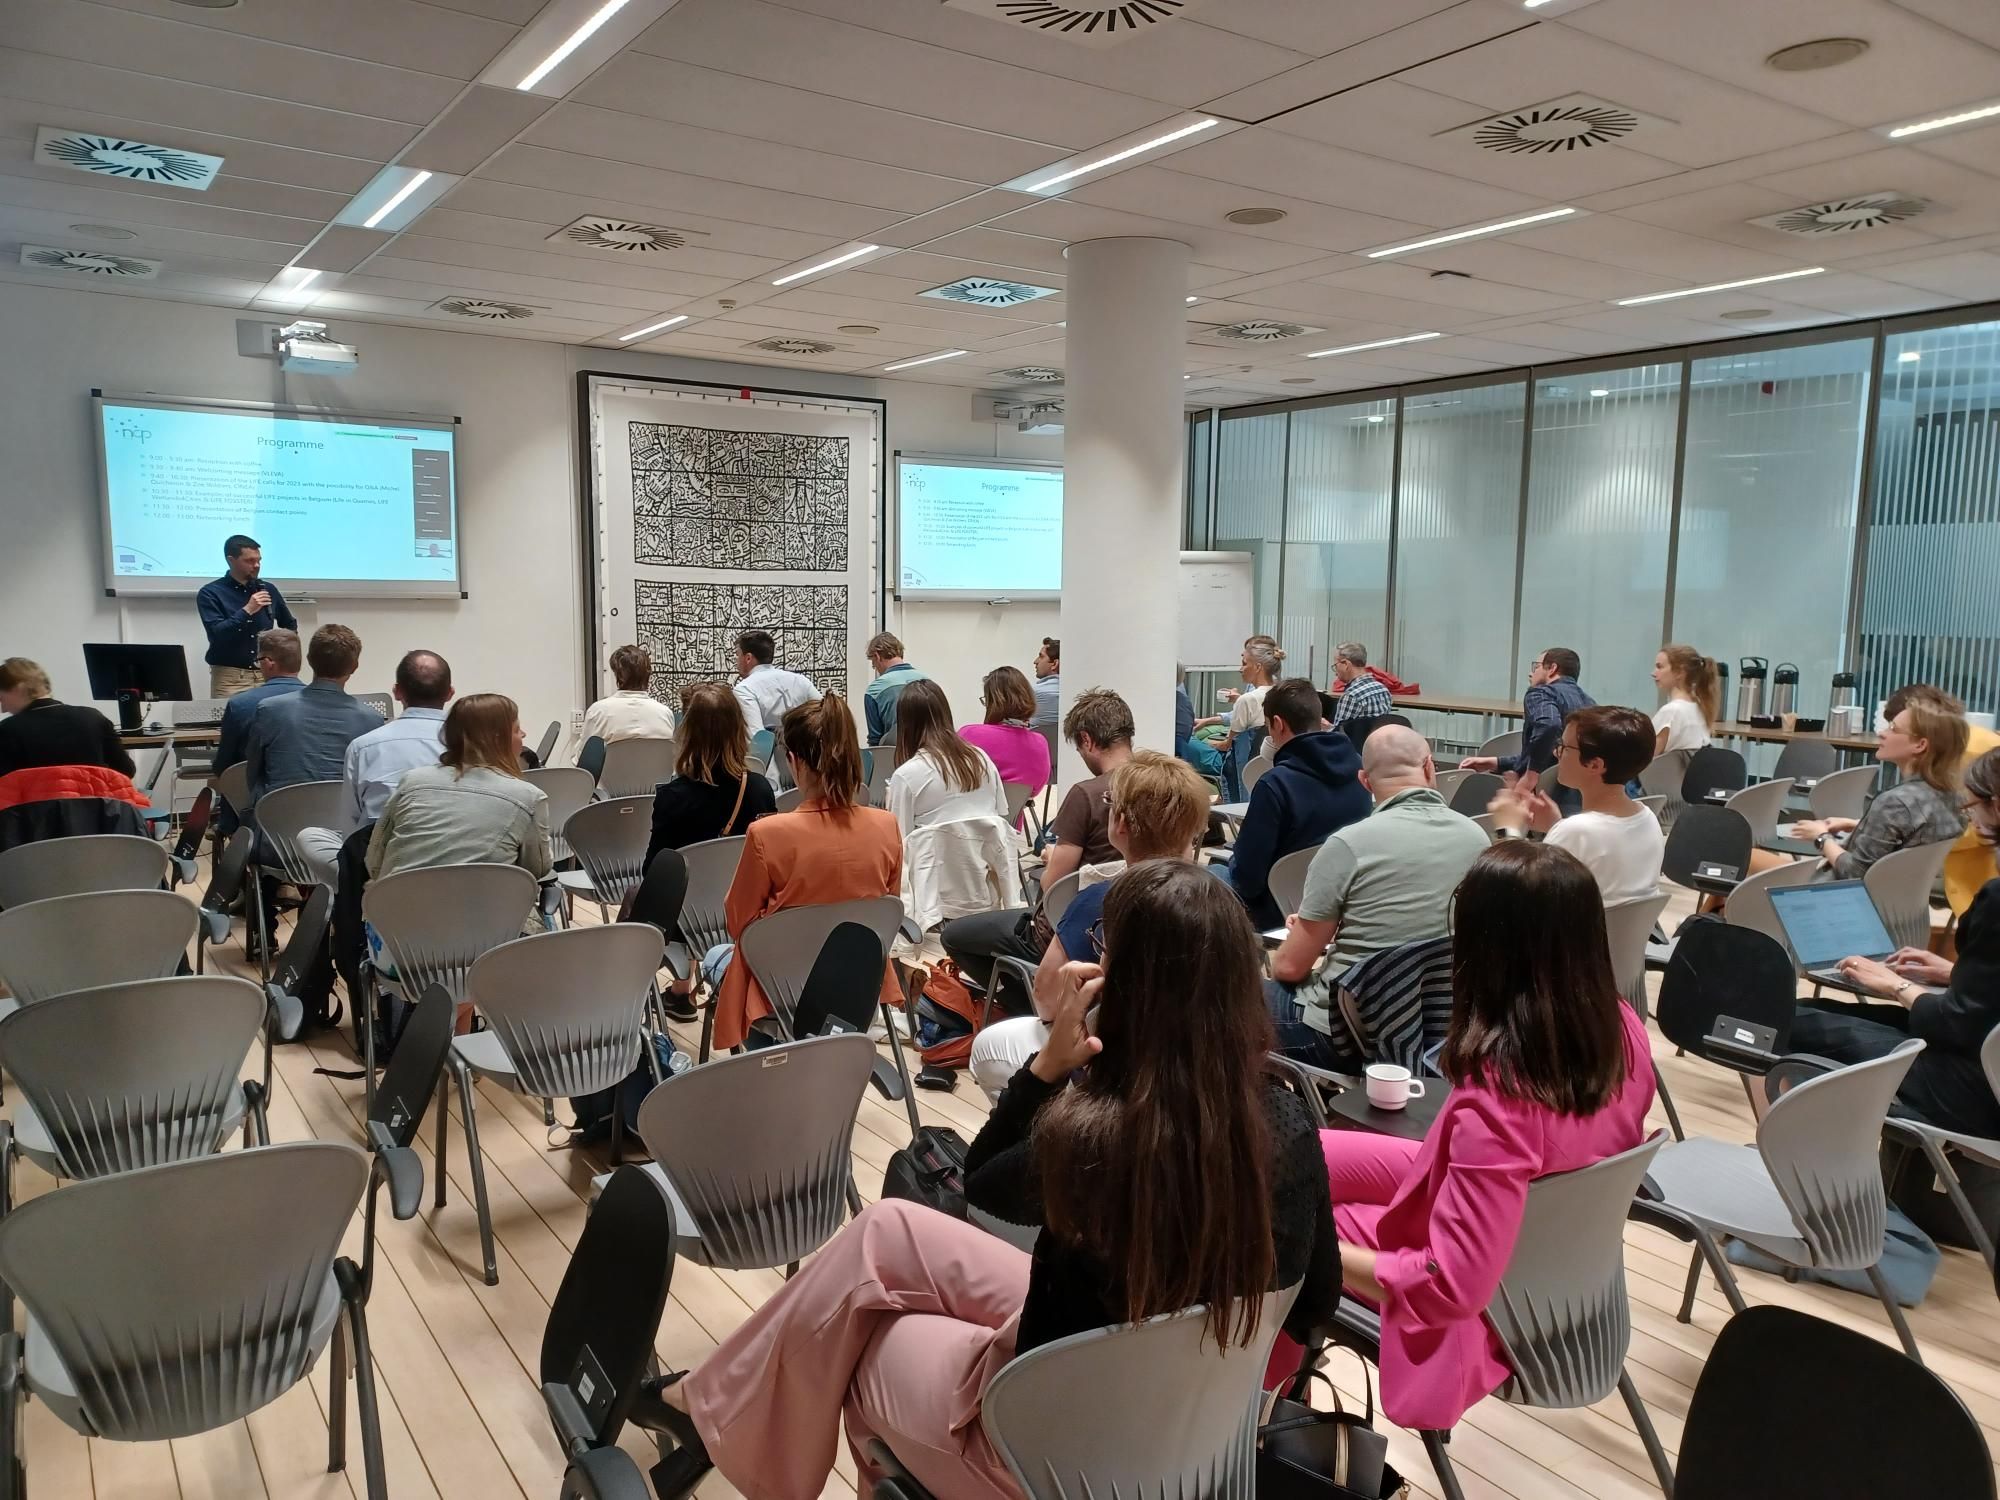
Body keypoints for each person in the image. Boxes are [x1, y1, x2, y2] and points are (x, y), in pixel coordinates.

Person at [645, 859, 1341, 1500]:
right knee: (889, 1229)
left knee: (861, 1344)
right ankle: (715, 1400)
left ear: (1126, 983)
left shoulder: (1094, 1137)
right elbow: (1317, 1301)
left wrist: (1047, 1071)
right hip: (1185, 1431)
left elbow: (981, 1183)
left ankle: (730, 1426)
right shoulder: (1285, 1118)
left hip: (1047, 1451)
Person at [1320, 840, 1656, 1430]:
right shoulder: (1622, 1027)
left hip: (1486, 1297)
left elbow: (1448, 1284)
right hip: (1540, 1241)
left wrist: (1319, 1251)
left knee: (1276, 1217)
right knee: (1301, 1155)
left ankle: (1262, 1409)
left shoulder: (1502, 1097)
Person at [969, 751, 1211, 1100]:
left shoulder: (1098, 900)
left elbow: (1048, 1001)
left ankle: (1040, 1143)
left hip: (1113, 1075)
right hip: (1200, 1073)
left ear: (1121, 823)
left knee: (988, 1047)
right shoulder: (1220, 900)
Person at [1792, 745, 2000, 1138]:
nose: (1970, 815)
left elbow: (1957, 1026)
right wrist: (1955, 973)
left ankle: (1806, 1163)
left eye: (1973, 805)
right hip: (1982, 1063)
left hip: (1973, 1089)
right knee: (1812, 1011)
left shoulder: (1997, 900)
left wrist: (1895, 985)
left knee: (1788, 1020)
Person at [1266, 726, 1489, 1070]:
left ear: (1365, 782)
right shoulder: (1477, 838)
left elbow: (1289, 967)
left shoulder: (1347, 846)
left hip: (1348, 1035)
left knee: (1231, 1001)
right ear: (1430, 767)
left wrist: (1306, 938)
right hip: (1444, 1029)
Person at [708, 694, 901, 1052]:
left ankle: (771, 1071)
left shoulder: (768, 834)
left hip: (779, 988)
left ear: (794, 762)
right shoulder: (887, 826)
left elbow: (740, 925)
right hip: (858, 988)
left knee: (714, 958)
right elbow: (886, 909)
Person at [936, 687, 1133, 996]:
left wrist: (1052, 858)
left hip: (1065, 932)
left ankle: (1016, 1002)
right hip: (1125, 929)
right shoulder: (1156, 785)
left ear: (1087, 740)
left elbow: (1052, 885)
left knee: (955, 935)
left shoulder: (1087, 794)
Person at [1758, 693, 1967, 883]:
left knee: (1742, 856)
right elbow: (1909, 836)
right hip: (1896, 903)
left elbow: (1854, 873)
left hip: (1832, 896)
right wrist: (1855, 824)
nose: (1883, 733)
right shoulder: (1951, 796)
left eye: (1893, 729)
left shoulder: (1895, 803)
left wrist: (1821, 837)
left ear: (1920, 745)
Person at [292, 650, 454, 889]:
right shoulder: (469, 744)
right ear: (450, 693)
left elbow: (351, 824)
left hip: (382, 867)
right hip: (452, 861)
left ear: (397, 692)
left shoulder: (365, 746)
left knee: (311, 838)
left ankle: (363, 893)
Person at [1226, 678, 1371, 930]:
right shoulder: (1360, 768)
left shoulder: (1275, 784)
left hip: (1278, 908)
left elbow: (1247, 881)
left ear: (1278, 724)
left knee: (1206, 879)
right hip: (1344, 901)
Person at [1488, 706, 1664, 907]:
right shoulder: (1648, 818)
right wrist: (1557, 827)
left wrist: (1508, 830)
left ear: (1594, 765)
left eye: (1564, 747)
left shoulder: (1577, 831)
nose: (1556, 752)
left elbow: (1513, 896)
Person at [365, 694, 552, 882]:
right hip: (488, 908)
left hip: (396, 907)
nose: (524, 735)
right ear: (497, 740)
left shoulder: (412, 782)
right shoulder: (529, 797)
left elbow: (374, 860)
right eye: (517, 729)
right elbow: (536, 870)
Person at [1887, 685, 2000, 919]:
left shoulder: (1964, 755)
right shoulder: (1968, 739)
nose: (1885, 734)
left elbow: (1981, 825)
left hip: (1984, 870)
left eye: (1896, 728)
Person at [242, 624, 381, 808]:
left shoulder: (269, 710)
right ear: (354, 667)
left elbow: (253, 774)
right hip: (343, 827)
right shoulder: (373, 720)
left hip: (278, 825)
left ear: (308, 660)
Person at [644, 681, 779, 871]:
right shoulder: (761, 789)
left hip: (690, 899)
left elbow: (652, 870)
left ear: (688, 734)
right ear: (738, 730)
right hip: (744, 898)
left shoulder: (672, 797)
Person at [1459, 648, 1594, 815]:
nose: (1531, 674)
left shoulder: (1541, 693)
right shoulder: (1590, 704)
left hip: (1541, 802)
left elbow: (1548, 726)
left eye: (1536, 666)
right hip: (1579, 803)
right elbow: (1549, 754)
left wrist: (1531, 775)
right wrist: (1496, 762)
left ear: (1552, 668)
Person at [887, 680, 1006, 836]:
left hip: (929, 859)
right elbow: (1001, 815)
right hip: (984, 859)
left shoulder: (906, 775)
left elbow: (899, 839)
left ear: (905, 724)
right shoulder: (981, 758)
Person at [196, 534, 297, 698]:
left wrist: (280, 656)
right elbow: (217, 634)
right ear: (231, 560)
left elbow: (289, 624)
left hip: (268, 676)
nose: (256, 565)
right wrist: (248, 610)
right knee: (228, 722)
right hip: (230, 678)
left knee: (269, 722)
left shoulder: (268, 589)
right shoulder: (211, 593)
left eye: (259, 560)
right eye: (249, 561)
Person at [0, 658, 135, 778]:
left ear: (18, 688)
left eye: (1, 699)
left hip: (32, 807)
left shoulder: (7, 730)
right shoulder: (93, 718)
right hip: (97, 805)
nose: (3, 709)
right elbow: (127, 771)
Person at [213, 629, 305, 773]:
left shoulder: (239, 705)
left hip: (254, 793)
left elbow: (223, 767)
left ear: (268, 663)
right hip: (314, 792)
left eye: (258, 660)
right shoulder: (324, 701)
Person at [960, 665, 1051, 798]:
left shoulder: (969, 734)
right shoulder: (1040, 742)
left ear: (992, 702)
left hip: (969, 816)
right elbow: (1034, 792)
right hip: (1012, 818)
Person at [571, 644, 676, 759]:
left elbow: (582, 759)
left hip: (611, 777)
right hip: (657, 777)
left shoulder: (598, 711)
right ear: (648, 674)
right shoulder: (665, 713)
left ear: (618, 676)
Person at [731, 629, 821, 734]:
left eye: (738, 654)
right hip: (803, 749)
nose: (736, 660)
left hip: (769, 750)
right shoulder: (801, 681)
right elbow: (826, 715)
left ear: (748, 658)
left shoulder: (744, 689)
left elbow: (755, 739)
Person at [1650, 643, 1717, 756]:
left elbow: (1644, 760)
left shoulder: (1671, 712)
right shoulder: (1700, 708)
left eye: (1659, 667)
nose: (1653, 673)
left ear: (1680, 672)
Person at [862, 632, 927, 747]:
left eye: (873, 664)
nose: (876, 669)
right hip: (931, 755)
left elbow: (875, 740)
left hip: (896, 757)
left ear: (877, 656)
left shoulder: (874, 690)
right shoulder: (928, 682)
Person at [1327, 641, 1393, 730]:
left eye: (1335, 665)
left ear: (1346, 664)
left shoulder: (1351, 696)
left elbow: (1338, 736)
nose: (1335, 672)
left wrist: (1325, 729)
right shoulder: (1383, 690)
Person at [1029, 637, 1060, 731]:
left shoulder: (1031, 693)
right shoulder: (1073, 693)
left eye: (1041, 656)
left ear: (1055, 664)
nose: (1035, 661)